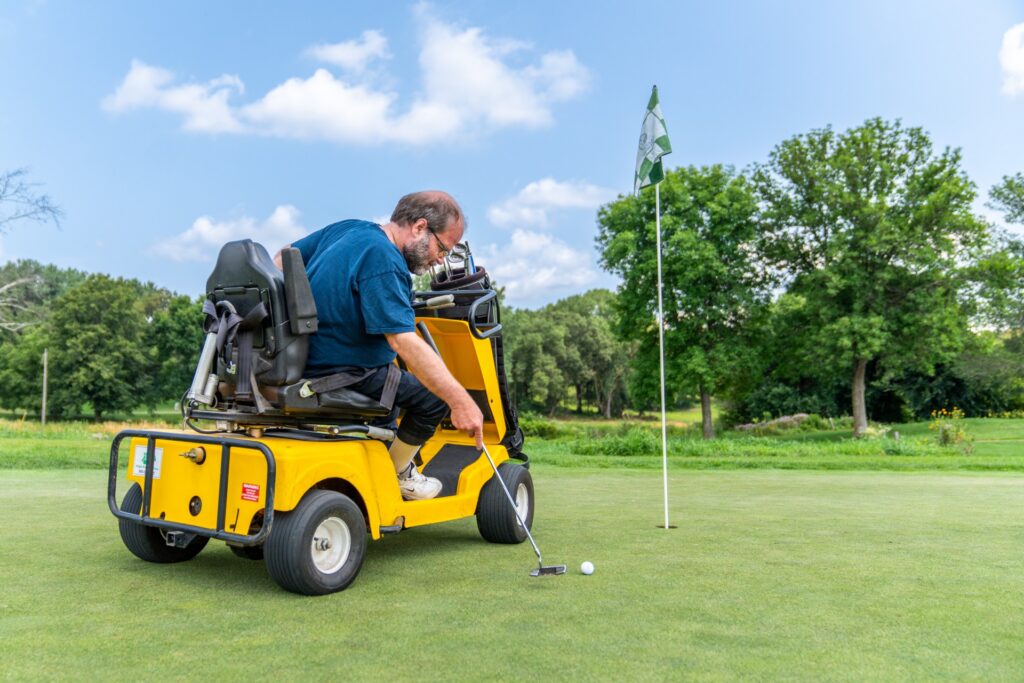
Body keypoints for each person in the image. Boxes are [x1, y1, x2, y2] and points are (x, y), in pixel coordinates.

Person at [273, 191, 484, 501]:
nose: (441, 258)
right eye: (442, 248)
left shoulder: (349, 229)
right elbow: (403, 341)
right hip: (344, 372)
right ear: (419, 227)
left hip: (301, 358)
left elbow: (280, 260)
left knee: (394, 388)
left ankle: (382, 458)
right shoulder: (386, 260)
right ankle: (396, 474)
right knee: (432, 401)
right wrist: (461, 401)